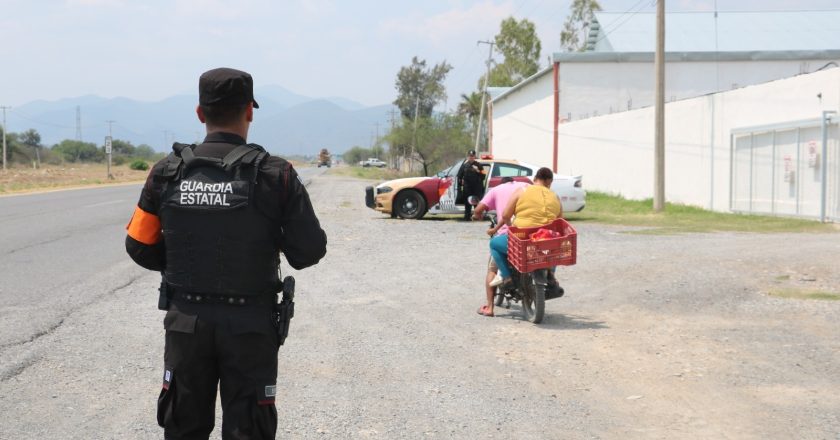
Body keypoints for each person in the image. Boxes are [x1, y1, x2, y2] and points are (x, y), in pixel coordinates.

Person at [124, 67, 327, 440]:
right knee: (249, 430)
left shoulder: (165, 173)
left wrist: (183, 260)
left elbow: (138, 244)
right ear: (250, 110)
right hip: (250, 325)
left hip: (186, 319)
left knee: (182, 427)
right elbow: (309, 251)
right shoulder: (276, 174)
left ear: (200, 113)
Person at [488, 167, 562, 287]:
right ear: (549, 182)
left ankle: (507, 277)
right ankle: (551, 274)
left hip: (523, 239)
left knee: (494, 244)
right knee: (554, 245)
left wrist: (512, 228)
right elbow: (560, 221)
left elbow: (506, 215)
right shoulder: (555, 196)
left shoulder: (521, 191)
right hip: (545, 241)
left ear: (535, 179)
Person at [471, 176, 529, 317]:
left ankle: (490, 307)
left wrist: (476, 215)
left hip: (508, 236)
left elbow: (479, 209)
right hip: (529, 234)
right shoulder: (526, 186)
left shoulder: (496, 190)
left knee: (492, 267)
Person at [456, 149, 485, 220]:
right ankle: (467, 217)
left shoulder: (479, 165)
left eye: (472, 156)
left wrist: (478, 170)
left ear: (475, 156)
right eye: (470, 156)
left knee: (476, 203)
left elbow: (484, 175)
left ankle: (477, 217)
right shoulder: (464, 166)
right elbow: (459, 176)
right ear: (467, 157)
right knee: (467, 203)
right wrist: (461, 184)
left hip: (476, 188)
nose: (471, 157)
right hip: (467, 188)